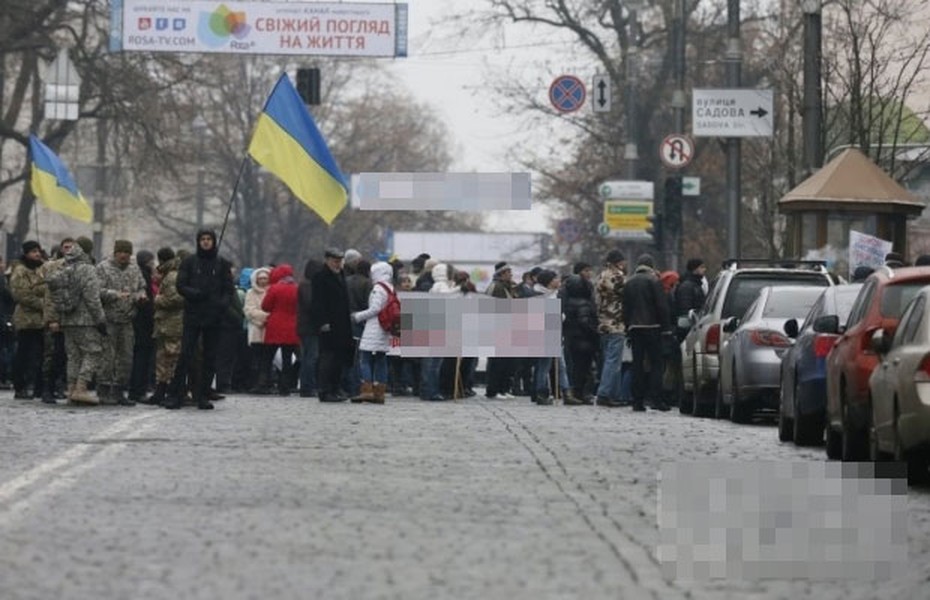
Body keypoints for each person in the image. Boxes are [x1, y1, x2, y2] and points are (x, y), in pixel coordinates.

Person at [163, 229, 236, 411]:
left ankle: (203, 395)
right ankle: (175, 395)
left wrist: (222, 305)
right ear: (198, 241)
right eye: (202, 239)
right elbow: (181, 285)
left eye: (208, 239)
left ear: (213, 241)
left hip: (214, 316)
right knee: (185, 355)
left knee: (210, 357)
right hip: (193, 314)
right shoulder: (189, 262)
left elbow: (229, 289)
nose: (205, 242)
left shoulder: (222, 264)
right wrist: (195, 294)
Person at [96, 239, 147, 405]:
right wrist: (114, 294)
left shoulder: (134, 269)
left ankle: (119, 391)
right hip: (109, 318)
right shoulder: (103, 268)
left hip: (127, 319)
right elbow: (97, 291)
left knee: (126, 357)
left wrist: (141, 296)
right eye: (121, 252)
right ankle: (103, 390)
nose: (124, 255)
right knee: (107, 357)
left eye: (127, 252)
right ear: (115, 252)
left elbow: (141, 287)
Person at [57, 243, 107, 405]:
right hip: (85, 320)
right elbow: (92, 298)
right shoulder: (87, 269)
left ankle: (71, 389)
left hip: (67, 318)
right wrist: (100, 319)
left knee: (73, 356)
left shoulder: (64, 269)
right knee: (94, 352)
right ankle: (81, 388)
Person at [622, 254, 671, 412]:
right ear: (651, 265)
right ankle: (656, 399)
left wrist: (627, 327)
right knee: (656, 364)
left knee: (637, 364)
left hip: (635, 328)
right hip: (653, 327)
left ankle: (637, 401)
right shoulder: (654, 281)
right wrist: (666, 327)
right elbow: (661, 306)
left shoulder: (629, 282)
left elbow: (625, 308)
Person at [309, 247, 354, 403]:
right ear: (327, 260)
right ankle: (324, 390)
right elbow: (317, 303)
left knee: (339, 359)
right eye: (335, 261)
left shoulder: (341, 275)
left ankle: (335, 388)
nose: (338, 264)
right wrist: (322, 322)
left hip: (342, 324)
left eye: (340, 261)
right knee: (327, 358)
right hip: (329, 324)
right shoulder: (320, 277)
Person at [350, 261, 396, 404]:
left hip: (374, 328)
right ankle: (380, 392)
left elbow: (375, 309)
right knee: (381, 360)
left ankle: (367, 390)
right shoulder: (390, 288)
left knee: (365, 359)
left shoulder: (378, 288)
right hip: (385, 328)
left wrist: (358, 316)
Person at [9, 240, 46, 400]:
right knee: (24, 354)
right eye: (33, 252)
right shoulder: (20, 271)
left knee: (41, 355)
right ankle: (20, 386)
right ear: (26, 254)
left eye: (38, 251)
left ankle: (38, 386)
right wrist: (43, 304)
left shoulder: (40, 269)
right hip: (26, 320)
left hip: (41, 320)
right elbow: (21, 294)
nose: (37, 254)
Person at [148, 248, 185, 406]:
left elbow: (176, 299)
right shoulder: (170, 274)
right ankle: (161, 390)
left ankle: (170, 390)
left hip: (173, 324)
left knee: (171, 358)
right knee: (163, 359)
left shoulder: (171, 276)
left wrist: (157, 300)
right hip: (167, 324)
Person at [261, 263, 300, 396]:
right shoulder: (296, 288)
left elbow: (265, 306)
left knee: (267, 357)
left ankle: (264, 384)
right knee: (287, 358)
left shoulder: (274, 288)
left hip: (275, 326)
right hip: (291, 326)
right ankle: (285, 387)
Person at [594, 249, 626, 408]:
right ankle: (605, 393)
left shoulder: (601, 276)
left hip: (603, 323)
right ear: (618, 262)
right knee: (613, 362)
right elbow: (626, 293)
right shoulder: (618, 277)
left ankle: (615, 394)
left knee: (608, 360)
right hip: (616, 323)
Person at [562, 273, 599, 404]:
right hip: (584, 340)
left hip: (572, 339)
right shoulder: (584, 303)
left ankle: (577, 392)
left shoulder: (566, 302)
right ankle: (584, 393)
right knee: (585, 369)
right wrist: (595, 332)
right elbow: (585, 322)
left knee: (576, 368)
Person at [485, 261, 517, 399]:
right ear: (502, 274)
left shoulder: (509, 287)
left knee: (507, 362)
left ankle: (504, 388)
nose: (511, 274)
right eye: (509, 272)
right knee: (497, 362)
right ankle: (494, 390)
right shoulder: (495, 287)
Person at [128, 249, 157, 403]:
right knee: (142, 358)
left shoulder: (140, 274)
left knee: (140, 357)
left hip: (139, 323)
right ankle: (138, 390)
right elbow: (146, 303)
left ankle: (137, 389)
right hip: (144, 324)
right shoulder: (143, 276)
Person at [244, 267, 273, 393]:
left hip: (269, 330)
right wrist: (263, 319)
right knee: (255, 359)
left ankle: (265, 383)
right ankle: (254, 383)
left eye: (265, 278)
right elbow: (248, 310)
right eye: (260, 278)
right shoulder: (250, 292)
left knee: (267, 359)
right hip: (256, 329)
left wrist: (266, 318)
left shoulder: (272, 291)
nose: (263, 281)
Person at [296, 259, 323, 398]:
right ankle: (308, 386)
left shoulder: (304, 284)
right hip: (310, 327)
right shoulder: (308, 285)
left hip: (305, 326)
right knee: (311, 357)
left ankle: (306, 386)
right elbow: (311, 305)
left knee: (308, 357)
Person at [674, 258, 707, 327]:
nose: (704, 269)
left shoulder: (696, 284)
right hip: (689, 327)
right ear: (694, 269)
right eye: (701, 267)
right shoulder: (687, 287)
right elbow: (685, 309)